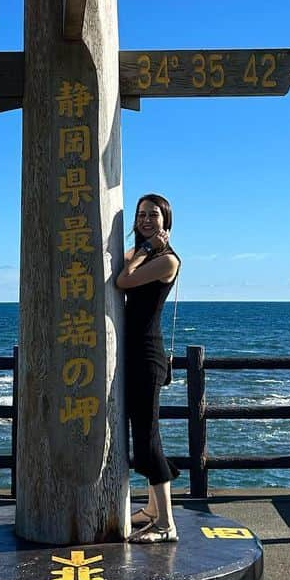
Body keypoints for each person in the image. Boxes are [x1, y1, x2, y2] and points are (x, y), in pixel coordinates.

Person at [115, 192, 181, 543]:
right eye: (141, 214)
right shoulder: (146, 254)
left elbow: (122, 280)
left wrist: (145, 250)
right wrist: (142, 248)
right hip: (133, 354)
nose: (145, 219)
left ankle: (166, 523)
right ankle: (154, 509)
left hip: (146, 354)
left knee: (147, 437)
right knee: (142, 435)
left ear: (165, 223)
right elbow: (119, 262)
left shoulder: (167, 260)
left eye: (153, 215)